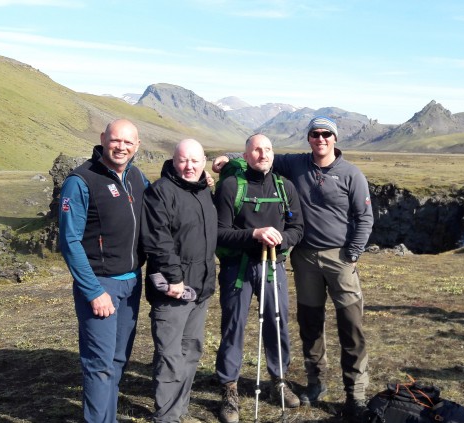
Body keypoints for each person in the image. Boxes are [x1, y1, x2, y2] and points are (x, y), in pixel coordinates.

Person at [213, 117, 374, 423]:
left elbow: (356, 219)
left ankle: (346, 392)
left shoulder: (343, 175)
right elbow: (220, 228)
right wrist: (226, 161)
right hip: (275, 263)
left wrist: (351, 254)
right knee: (295, 324)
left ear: (335, 138)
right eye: (315, 134)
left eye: (327, 134)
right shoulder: (274, 172)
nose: (321, 138)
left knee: (342, 326)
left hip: (324, 259)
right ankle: (247, 388)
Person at [59, 119, 149, 423]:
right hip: (100, 285)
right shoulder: (81, 180)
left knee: (118, 360)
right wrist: (94, 291)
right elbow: (70, 241)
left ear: (137, 146)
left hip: (131, 283)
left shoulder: (136, 176)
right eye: (115, 140)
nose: (121, 147)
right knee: (99, 364)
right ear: (102, 139)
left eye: (128, 142)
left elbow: (161, 204)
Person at [214, 134, 304, 423]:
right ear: (246, 155)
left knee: (278, 321)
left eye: (267, 149)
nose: (262, 154)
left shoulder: (284, 186)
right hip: (236, 268)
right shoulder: (231, 186)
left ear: (273, 154)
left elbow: (297, 227)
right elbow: (219, 231)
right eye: (256, 149)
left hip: (272, 265)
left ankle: (278, 380)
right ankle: (230, 388)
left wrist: (281, 240)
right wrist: (253, 234)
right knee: (233, 324)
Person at [141, 139, 217, 423]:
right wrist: (174, 279)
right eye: (183, 160)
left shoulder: (203, 190)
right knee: (170, 355)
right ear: (173, 161)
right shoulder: (161, 192)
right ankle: (167, 417)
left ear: (204, 161)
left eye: (195, 161)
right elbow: (157, 240)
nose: (189, 166)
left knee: (191, 350)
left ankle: (179, 410)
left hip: (201, 287)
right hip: (173, 290)